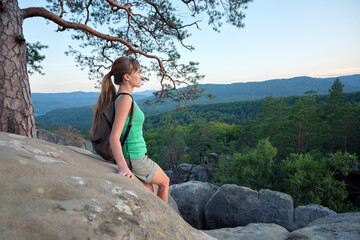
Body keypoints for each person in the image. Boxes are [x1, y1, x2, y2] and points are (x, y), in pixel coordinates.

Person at [92, 57, 170, 203]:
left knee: (149, 189)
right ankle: (166, 221)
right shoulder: (125, 99)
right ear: (127, 77)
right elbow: (114, 137)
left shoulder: (122, 98)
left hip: (134, 157)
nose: (141, 76)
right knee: (165, 182)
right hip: (134, 157)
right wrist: (122, 167)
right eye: (138, 72)